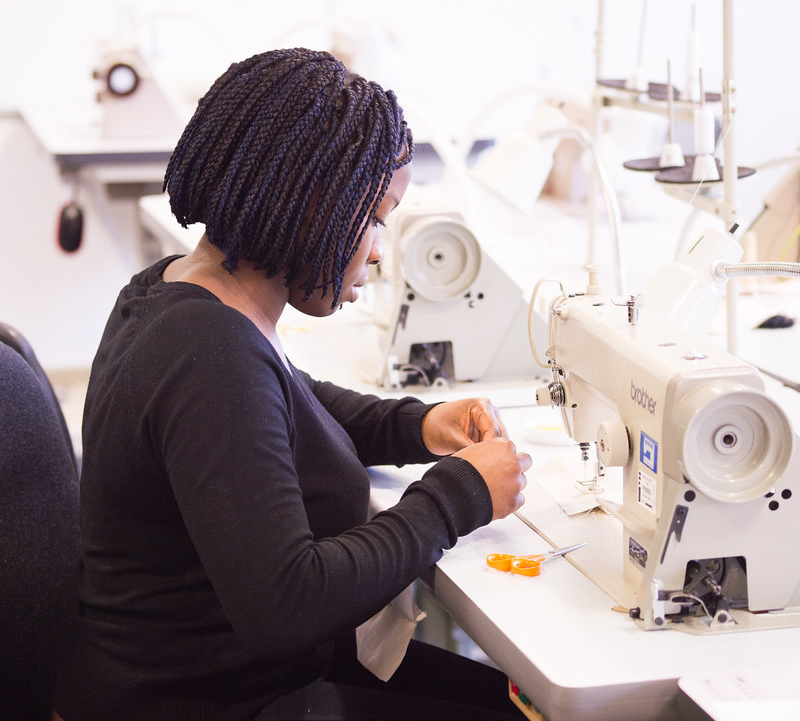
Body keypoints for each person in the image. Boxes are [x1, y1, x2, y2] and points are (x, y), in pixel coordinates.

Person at [53, 48, 531, 721]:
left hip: (210, 683)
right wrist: (460, 495)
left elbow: (286, 399)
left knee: (514, 702)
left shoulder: (175, 293)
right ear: (312, 205)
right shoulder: (210, 353)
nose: (377, 248)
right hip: (206, 702)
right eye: (374, 219)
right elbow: (287, 603)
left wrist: (416, 425)